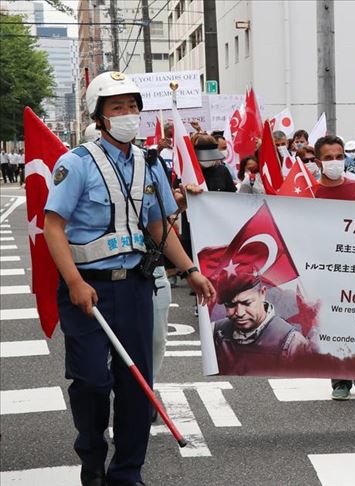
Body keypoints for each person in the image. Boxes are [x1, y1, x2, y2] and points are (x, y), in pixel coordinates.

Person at [43, 70, 215, 486]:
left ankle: (127, 472)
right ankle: (92, 460)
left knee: (137, 384)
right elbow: (53, 226)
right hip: (88, 289)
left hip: (136, 286)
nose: (128, 114)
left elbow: (159, 226)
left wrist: (190, 270)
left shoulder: (149, 163)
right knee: (91, 381)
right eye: (117, 108)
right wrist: (74, 282)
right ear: (99, 116)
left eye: (133, 106)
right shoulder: (76, 163)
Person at [310, 135, 355, 399]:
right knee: (332, 323)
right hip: (323, 269)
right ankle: (339, 380)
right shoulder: (308, 192)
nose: (335, 162)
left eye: (339, 156)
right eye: (328, 158)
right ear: (318, 162)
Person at [212, 266, 310, 375]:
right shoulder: (214, 331)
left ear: (262, 293)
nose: (239, 313)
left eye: (247, 303)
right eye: (231, 305)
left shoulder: (292, 343)